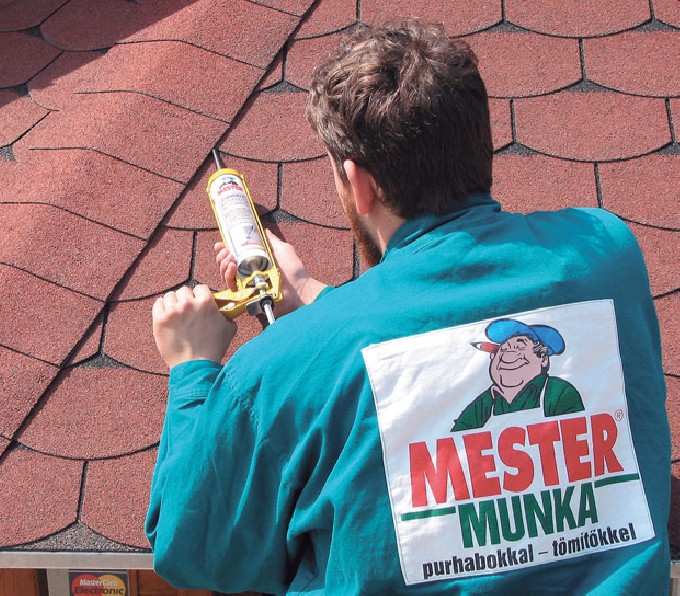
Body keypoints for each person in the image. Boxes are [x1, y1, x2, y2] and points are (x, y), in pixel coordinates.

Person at [146, 19, 670, 595]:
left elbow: (193, 549)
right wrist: (315, 297)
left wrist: (193, 369)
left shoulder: (280, 367)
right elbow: (439, 338)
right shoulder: (604, 255)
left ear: (358, 183)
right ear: (479, 144)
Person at [451, 318, 584, 432]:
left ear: (543, 358)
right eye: (504, 348)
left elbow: (577, 435)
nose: (508, 355)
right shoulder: (486, 402)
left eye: (519, 347)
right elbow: (457, 439)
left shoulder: (556, 391)